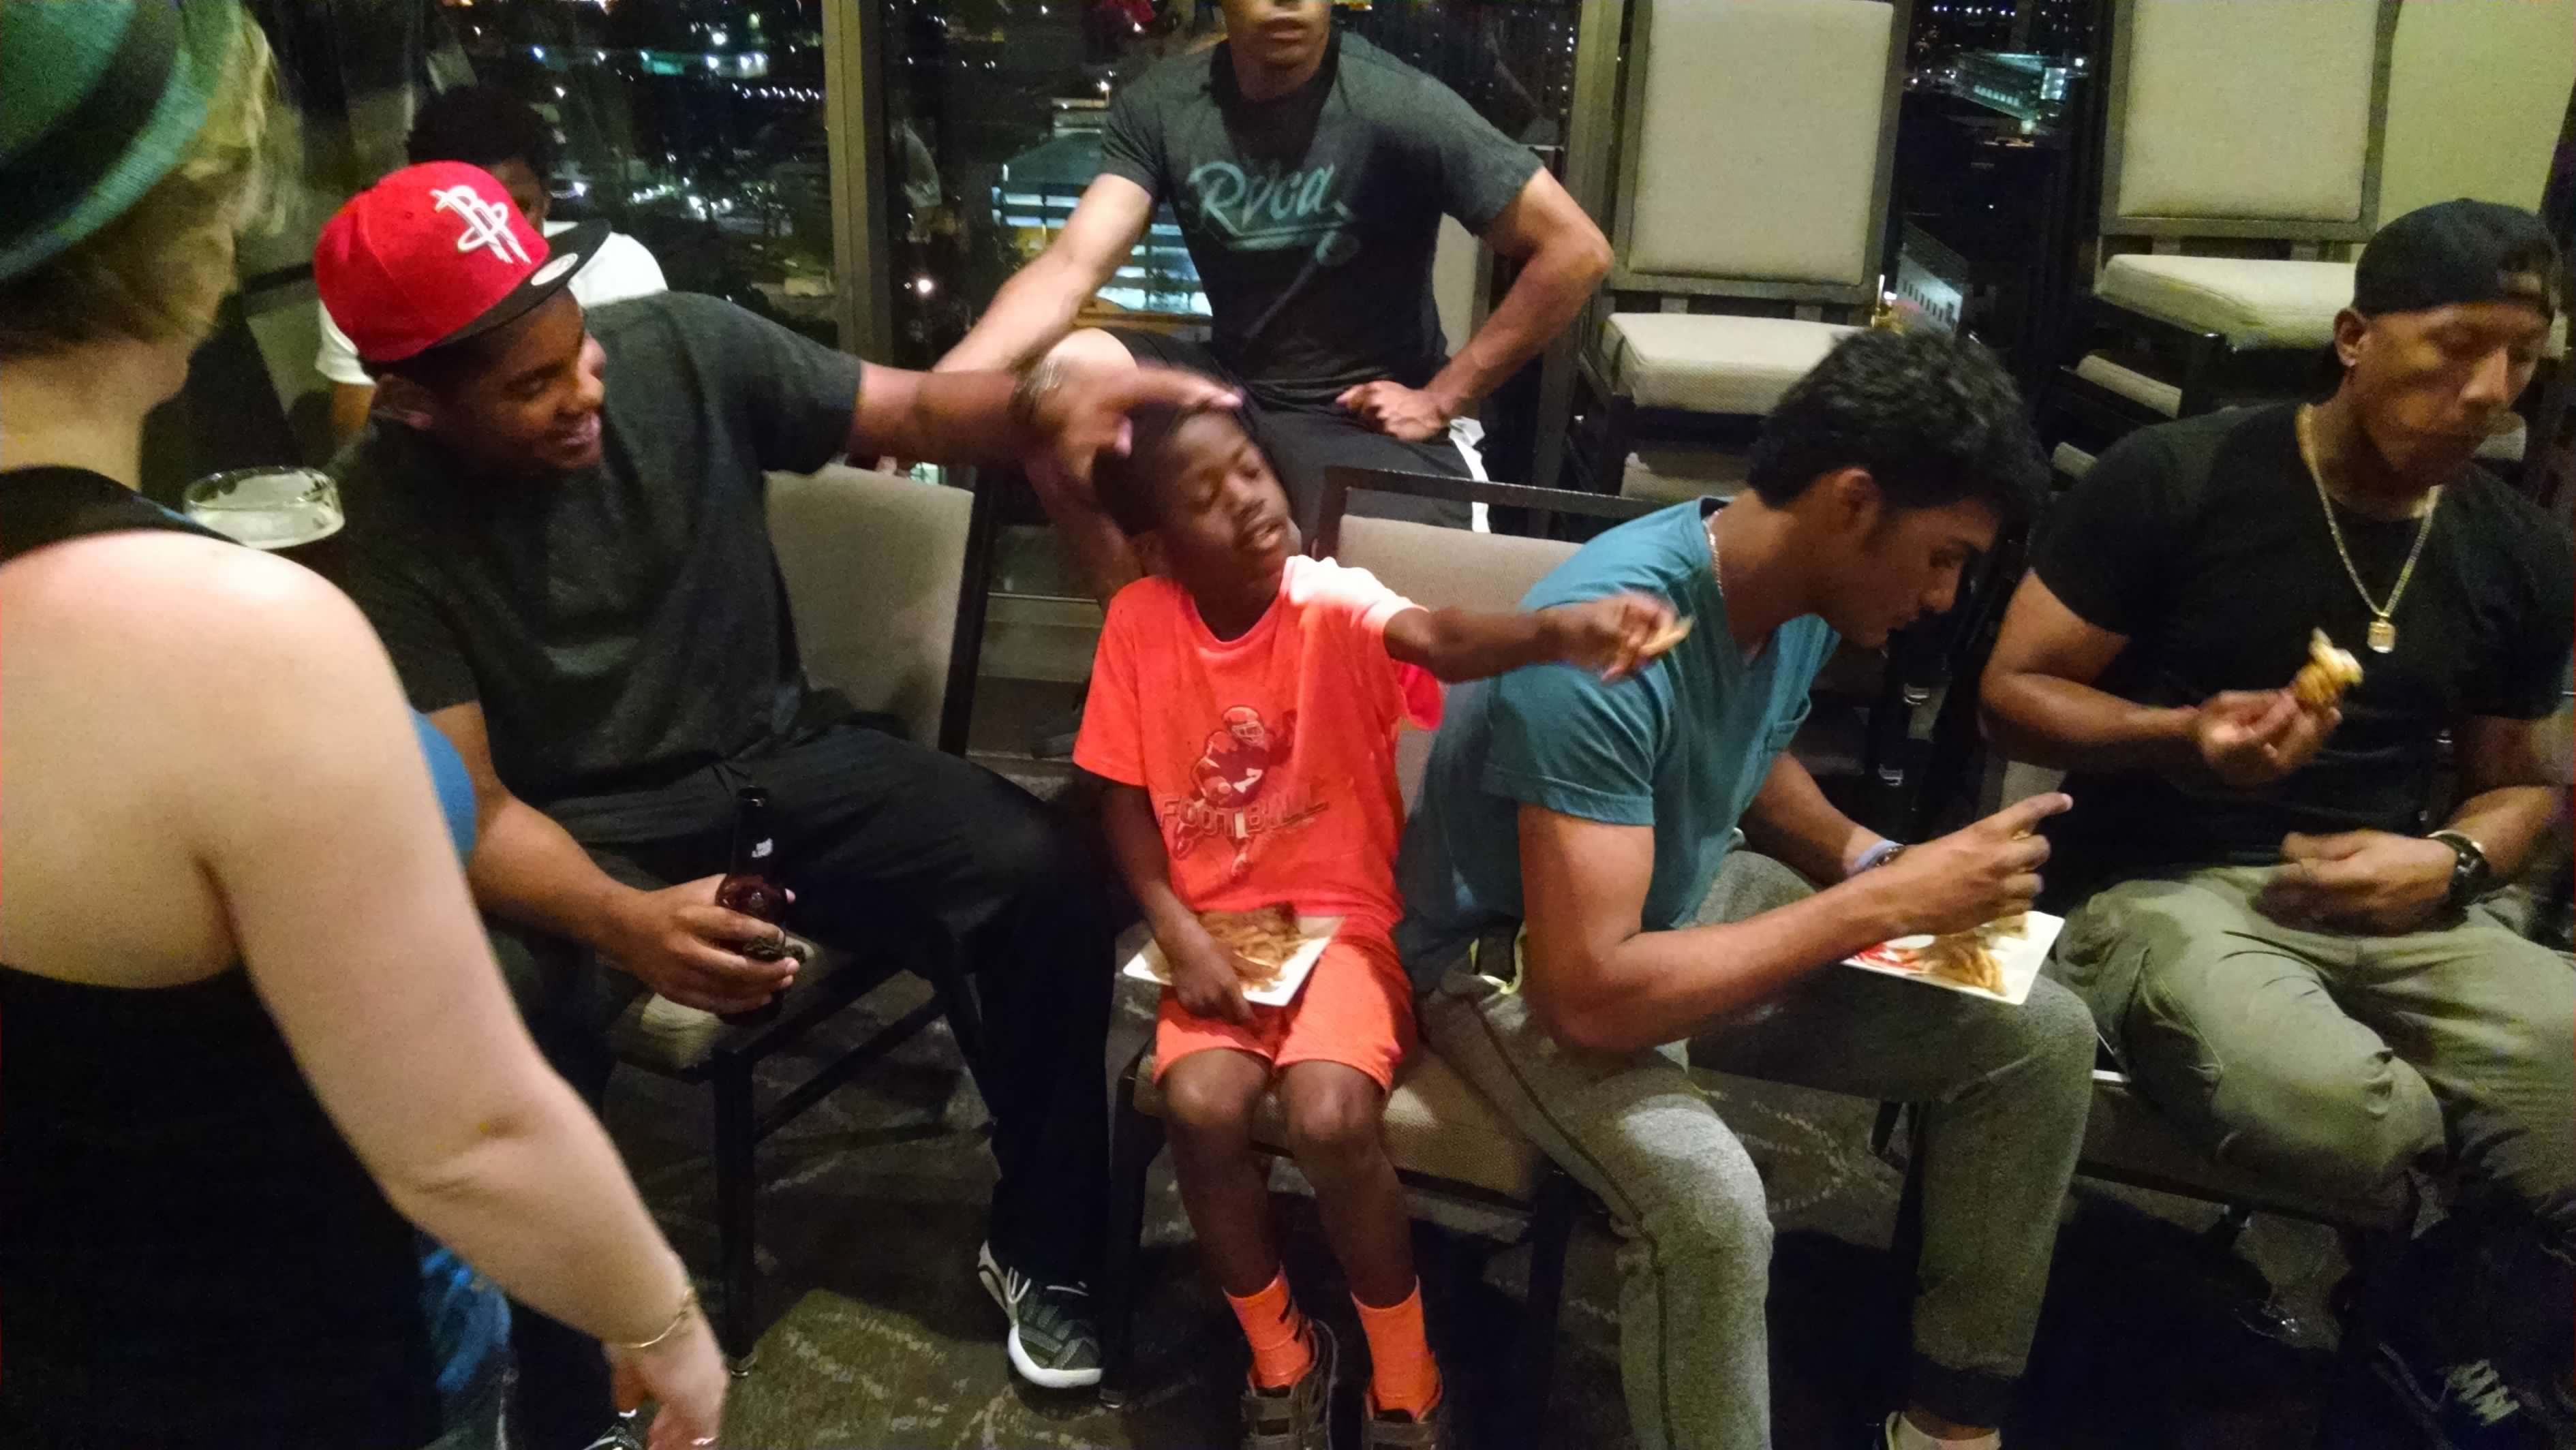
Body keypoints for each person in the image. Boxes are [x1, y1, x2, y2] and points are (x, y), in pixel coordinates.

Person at [311, 161, 1236, 1443]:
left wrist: (1052, 395)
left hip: (780, 755)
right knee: (504, 1001)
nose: (585, 391)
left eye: (577, 350)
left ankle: (1043, 1238)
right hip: (582, 818)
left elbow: (918, 408)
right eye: (531, 387)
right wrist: (623, 921)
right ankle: (566, 1370)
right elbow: (471, 801)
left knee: (1036, 877)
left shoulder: (682, 345)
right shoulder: (379, 514)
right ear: (414, 404)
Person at [0, 6, 721, 1448]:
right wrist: (657, 1315)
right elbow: (467, 1135)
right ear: (187, 244)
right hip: (290, 1363)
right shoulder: (233, 639)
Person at [1395, 328, 2096, 1450]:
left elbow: (1746, 748)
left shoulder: (1795, 591)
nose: (1944, 595)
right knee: (1711, 1206)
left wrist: (1864, 857)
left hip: (1688, 898)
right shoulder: (1610, 640)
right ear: (1853, 503)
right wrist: (1882, 903)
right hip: (1514, 961)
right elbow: (1590, 998)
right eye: (1943, 557)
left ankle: (1949, 1422)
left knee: (2041, 1030)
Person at [1982, 199, 2575, 1447]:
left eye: (2522, 358)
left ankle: (2434, 1293)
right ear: (2356, 337)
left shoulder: (2515, 548)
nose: (2490, 392)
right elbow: (2011, 693)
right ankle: (2446, 1254)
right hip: (2164, 883)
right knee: (2329, 1109)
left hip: (2402, 908)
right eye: (2458, 346)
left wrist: (2448, 858)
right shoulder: (2182, 477)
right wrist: (2182, 733)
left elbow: (2519, 783)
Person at [1074, 405, 1674, 1449]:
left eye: (1250, 470)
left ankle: (1405, 1371)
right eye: (1208, 498)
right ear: (1159, 550)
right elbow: (1119, 798)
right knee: (1201, 1107)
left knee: (1330, 1117)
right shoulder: (1139, 622)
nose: (1249, 500)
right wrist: (1177, 924)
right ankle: (1282, 1354)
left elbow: (1437, 639)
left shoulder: (1328, 597)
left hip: (1348, 922)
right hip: (1220, 931)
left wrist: (1558, 632)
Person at [937, 0, 1612, 602]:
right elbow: (1068, 269)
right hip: (1235, 383)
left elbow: (1575, 250)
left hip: (1360, 411)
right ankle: (1144, 651)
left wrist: (1441, 398)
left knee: (1389, 631)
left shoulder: (1399, 103)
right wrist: (927, 401)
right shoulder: (1166, 104)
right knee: (1057, 390)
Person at [316, 82, 664, 448]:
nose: (499, 233)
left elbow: (652, 419)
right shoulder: (376, 291)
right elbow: (363, 438)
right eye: (466, 215)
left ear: (546, 197)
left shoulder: (617, 265)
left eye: (515, 208)